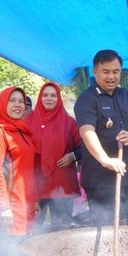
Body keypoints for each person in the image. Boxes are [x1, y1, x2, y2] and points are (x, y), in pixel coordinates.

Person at [73, 49, 128, 224]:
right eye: (106, 72)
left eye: (116, 71)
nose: (111, 77)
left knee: (125, 224)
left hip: (126, 176)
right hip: (99, 180)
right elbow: (86, 131)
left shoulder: (125, 95)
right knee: (103, 227)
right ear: (95, 71)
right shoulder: (87, 99)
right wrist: (105, 160)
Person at [27, 82, 81, 226]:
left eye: (53, 95)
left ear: (59, 99)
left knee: (62, 230)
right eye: (45, 95)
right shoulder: (28, 122)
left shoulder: (69, 123)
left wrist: (73, 156)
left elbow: (83, 148)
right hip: (37, 186)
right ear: (40, 98)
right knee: (33, 229)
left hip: (62, 185)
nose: (49, 99)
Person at [0, 86, 38, 237]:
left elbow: (30, 169)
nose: (18, 104)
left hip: (25, 203)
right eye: (12, 100)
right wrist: (4, 207)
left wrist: (35, 200)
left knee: (25, 252)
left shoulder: (23, 131)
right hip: (10, 207)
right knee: (8, 254)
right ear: (3, 104)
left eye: (21, 101)